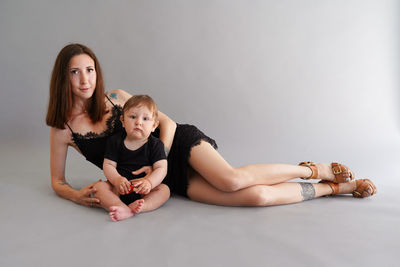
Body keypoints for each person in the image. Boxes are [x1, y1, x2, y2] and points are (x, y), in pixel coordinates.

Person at [46, 43, 376, 212]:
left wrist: (157, 162)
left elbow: (168, 122)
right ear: (64, 77)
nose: (85, 79)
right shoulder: (63, 130)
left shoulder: (117, 98)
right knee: (258, 198)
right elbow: (57, 181)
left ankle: (312, 168)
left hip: (175, 146)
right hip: (162, 180)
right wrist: (76, 196)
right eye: (75, 72)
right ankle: (334, 189)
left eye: (89, 69)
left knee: (231, 179)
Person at [103, 95, 169, 221]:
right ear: (122, 121)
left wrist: (149, 182)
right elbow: (108, 165)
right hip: (119, 187)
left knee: (164, 190)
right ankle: (120, 206)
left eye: (145, 119)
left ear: (154, 125)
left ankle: (143, 205)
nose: (138, 122)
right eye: (133, 117)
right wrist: (117, 180)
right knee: (100, 187)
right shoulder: (115, 141)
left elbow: (161, 168)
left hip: (143, 189)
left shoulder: (156, 144)